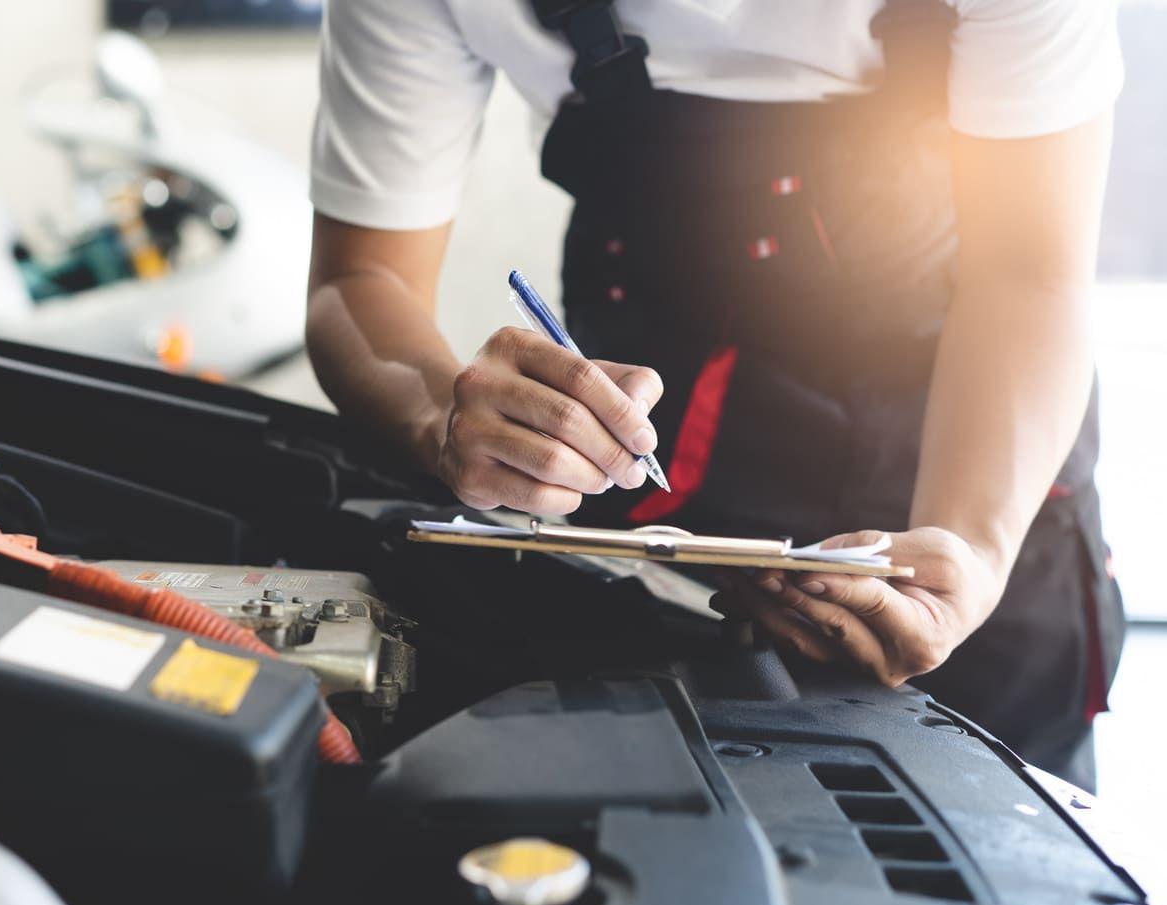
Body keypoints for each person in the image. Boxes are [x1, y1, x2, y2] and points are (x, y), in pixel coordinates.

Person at [303, 0, 1125, 788]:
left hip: (978, 487)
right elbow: (361, 277)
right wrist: (441, 413)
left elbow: (1028, 275)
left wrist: (975, 547)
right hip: (668, 525)